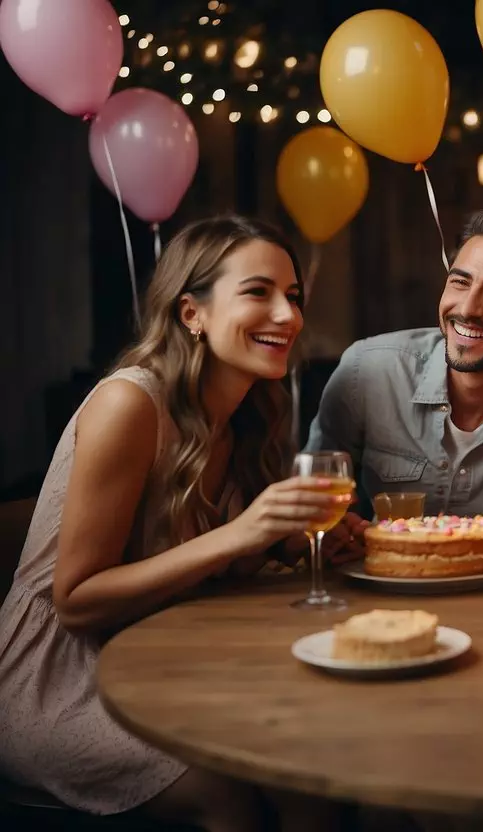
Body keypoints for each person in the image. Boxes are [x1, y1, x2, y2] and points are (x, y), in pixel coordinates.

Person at [0, 215, 356, 830]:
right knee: (231, 795)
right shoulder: (129, 403)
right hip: (60, 680)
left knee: (313, 769)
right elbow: (77, 600)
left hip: (163, 657)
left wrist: (287, 539)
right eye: (258, 292)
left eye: (293, 297)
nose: (288, 316)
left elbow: (203, 559)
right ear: (192, 312)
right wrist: (241, 533)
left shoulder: (249, 412)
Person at [306, 209, 483, 542]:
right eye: (460, 282)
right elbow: (315, 500)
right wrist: (340, 531)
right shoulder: (365, 371)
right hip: (374, 583)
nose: (467, 309)